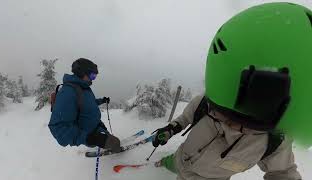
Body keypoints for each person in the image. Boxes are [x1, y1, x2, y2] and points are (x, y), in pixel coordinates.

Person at [152, 2, 307, 180]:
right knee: (173, 162)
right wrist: (170, 129)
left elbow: (283, 173)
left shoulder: (274, 141)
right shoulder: (206, 103)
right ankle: (162, 163)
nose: (228, 120)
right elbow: (185, 118)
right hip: (181, 159)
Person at [49, 58, 121, 153]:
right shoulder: (68, 93)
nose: (93, 79)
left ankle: (110, 145)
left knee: (113, 140)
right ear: (81, 73)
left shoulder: (84, 88)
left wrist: (102, 101)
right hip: (88, 134)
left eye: (94, 76)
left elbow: (88, 103)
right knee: (115, 143)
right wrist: (88, 138)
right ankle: (118, 156)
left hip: (96, 127)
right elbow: (58, 127)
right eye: (92, 75)